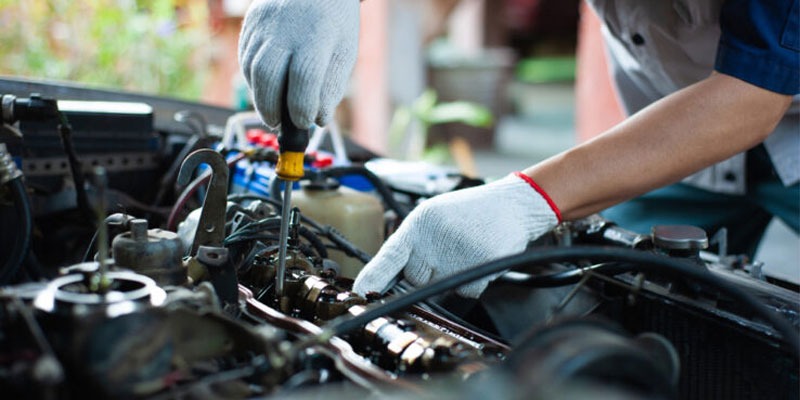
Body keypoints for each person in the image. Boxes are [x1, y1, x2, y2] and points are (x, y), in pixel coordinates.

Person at [238, 0, 799, 299]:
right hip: (668, 122)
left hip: (771, 111)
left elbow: (753, 95)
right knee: (621, 301)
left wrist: (527, 199)